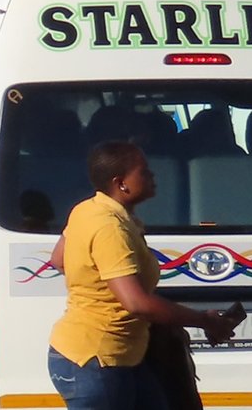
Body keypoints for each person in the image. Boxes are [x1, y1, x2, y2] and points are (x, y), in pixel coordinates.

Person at [47, 141, 238, 409]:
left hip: (121, 358)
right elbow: (136, 303)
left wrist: (98, 286)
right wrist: (203, 320)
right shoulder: (110, 228)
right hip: (97, 361)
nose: (153, 175)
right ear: (121, 184)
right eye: (144, 171)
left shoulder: (89, 209)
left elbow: (58, 259)